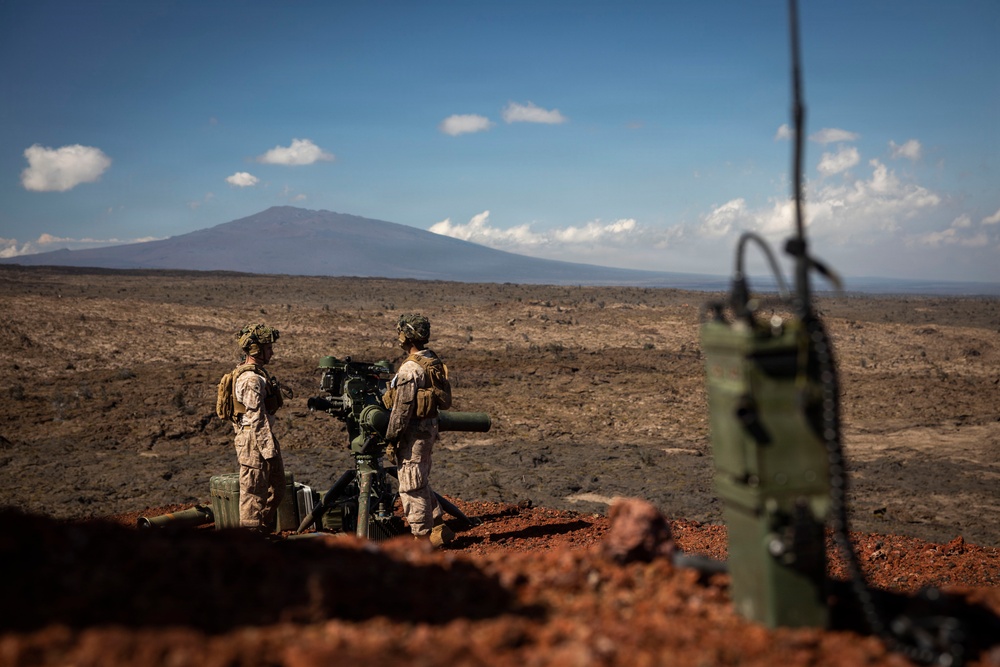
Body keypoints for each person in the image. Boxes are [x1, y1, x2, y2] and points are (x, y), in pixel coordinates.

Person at [384, 314, 454, 548]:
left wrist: (392, 438)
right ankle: (438, 527)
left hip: (413, 435)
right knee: (420, 479)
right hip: (428, 430)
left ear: (406, 336)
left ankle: (421, 540)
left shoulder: (411, 369)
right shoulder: (431, 360)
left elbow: (401, 411)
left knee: (410, 485)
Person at [231, 323, 286, 533]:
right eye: (268, 348)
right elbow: (257, 418)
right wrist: (268, 450)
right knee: (253, 493)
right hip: (254, 441)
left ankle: (262, 527)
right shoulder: (251, 380)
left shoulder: (258, 374)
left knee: (278, 488)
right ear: (256, 350)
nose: (272, 352)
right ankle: (250, 537)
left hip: (263, 438)